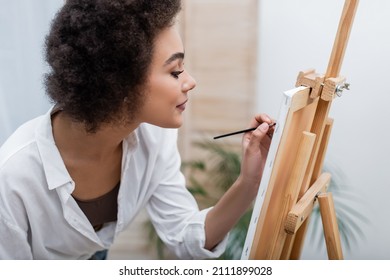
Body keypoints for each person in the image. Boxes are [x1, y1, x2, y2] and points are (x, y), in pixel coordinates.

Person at [0, 0, 273, 260]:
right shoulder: (13, 177)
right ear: (120, 84)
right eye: (175, 71)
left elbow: (184, 237)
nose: (190, 81)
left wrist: (248, 182)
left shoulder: (154, 137)